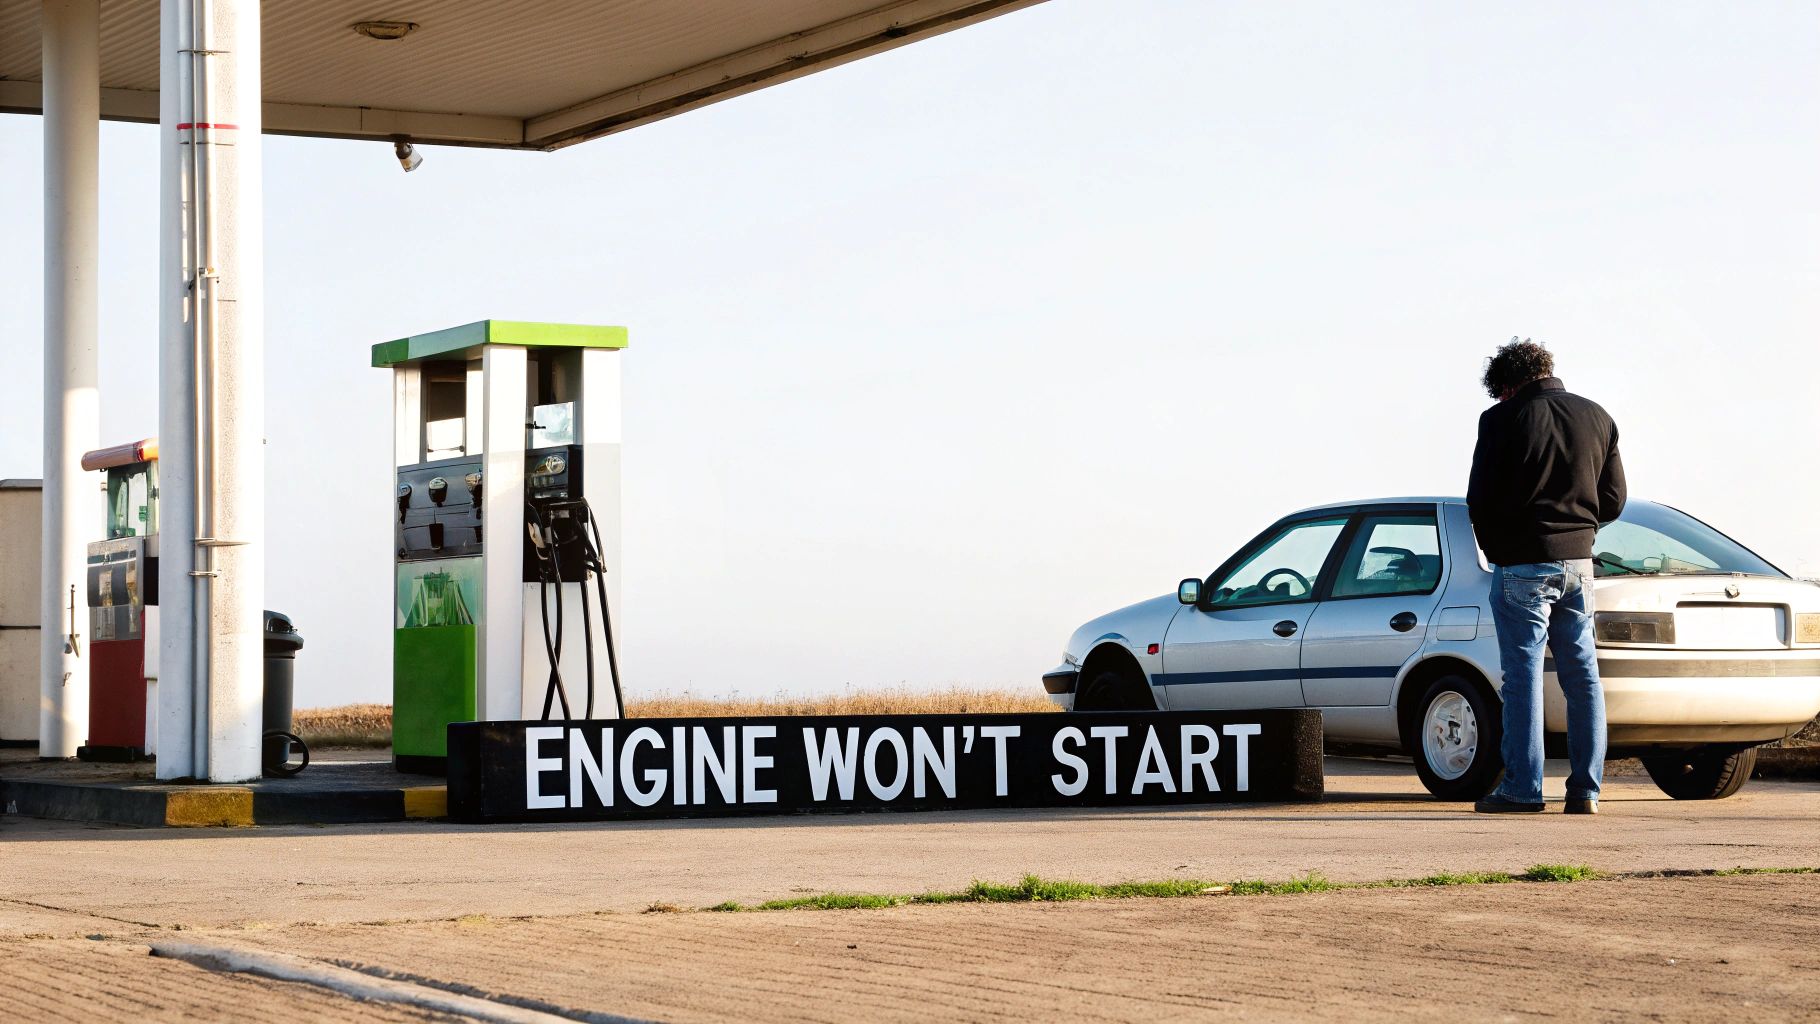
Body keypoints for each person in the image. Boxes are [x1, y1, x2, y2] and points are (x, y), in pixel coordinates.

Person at [1466, 338, 1625, 815]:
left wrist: (1501, 551)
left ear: (1508, 386)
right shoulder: (1598, 416)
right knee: (1583, 678)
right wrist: (1579, 530)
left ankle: (1522, 788)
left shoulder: (1501, 419)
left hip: (1522, 565)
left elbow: (1480, 498)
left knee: (1523, 677)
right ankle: (1586, 791)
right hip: (1580, 565)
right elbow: (1614, 498)